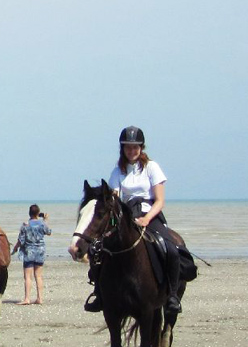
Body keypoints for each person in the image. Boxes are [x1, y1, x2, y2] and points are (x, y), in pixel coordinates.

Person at [78, 126, 189, 314]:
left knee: (170, 248)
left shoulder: (152, 167)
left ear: (141, 148)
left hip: (149, 214)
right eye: (128, 147)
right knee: (99, 251)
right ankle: (100, 292)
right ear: (123, 149)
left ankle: (171, 295)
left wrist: (146, 219)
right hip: (126, 217)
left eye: (135, 147)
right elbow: (114, 198)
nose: (131, 151)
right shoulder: (118, 171)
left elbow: (160, 200)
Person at [11, 205, 51, 305]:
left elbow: (21, 240)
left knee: (28, 277)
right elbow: (49, 232)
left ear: (29, 213)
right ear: (38, 213)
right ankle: (40, 298)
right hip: (40, 251)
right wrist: (46, 220)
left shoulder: (26, 225)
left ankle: (27, 298)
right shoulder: (42, 224)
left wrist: (15, 248)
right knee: (38, 276)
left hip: (29, 251)